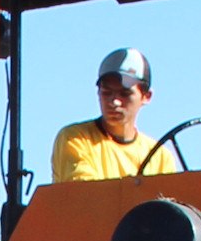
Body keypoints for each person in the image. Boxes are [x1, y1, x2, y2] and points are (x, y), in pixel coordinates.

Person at [49, 47, 179, 185]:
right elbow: (86, 195)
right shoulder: (75, 138)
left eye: (125, 94)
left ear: (146, 96)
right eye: (106, 92)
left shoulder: (160, 158)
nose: (114, 101)